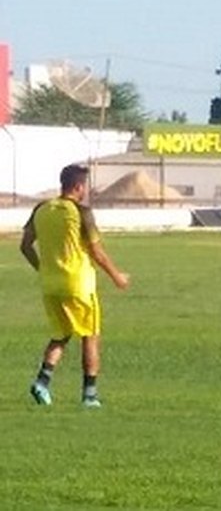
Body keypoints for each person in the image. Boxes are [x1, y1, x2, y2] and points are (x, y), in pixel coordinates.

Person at [20, 164, 130, 408]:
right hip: (78, 284)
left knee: (61, 333)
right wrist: (117, 277)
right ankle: (89, 395)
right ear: (79, 186)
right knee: (90, 336)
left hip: (50, 285)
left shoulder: (42, 208)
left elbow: (25, 246)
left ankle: (42, 383)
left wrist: (43, 269)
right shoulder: (81, 212)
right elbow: (96, 251)